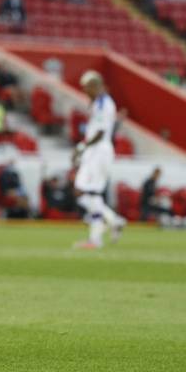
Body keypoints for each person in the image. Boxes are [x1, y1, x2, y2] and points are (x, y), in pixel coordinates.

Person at [72, 70, 126, 249]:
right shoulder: (98, 103)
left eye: (87, 88)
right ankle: (108, 224)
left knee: (84, 192)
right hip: (96, 151)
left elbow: (101, 132)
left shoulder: (104, 104)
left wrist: (82, 147)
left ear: (95, 86)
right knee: (90, 194)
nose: (85, 91)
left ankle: (105, 228)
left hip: (98, 151)